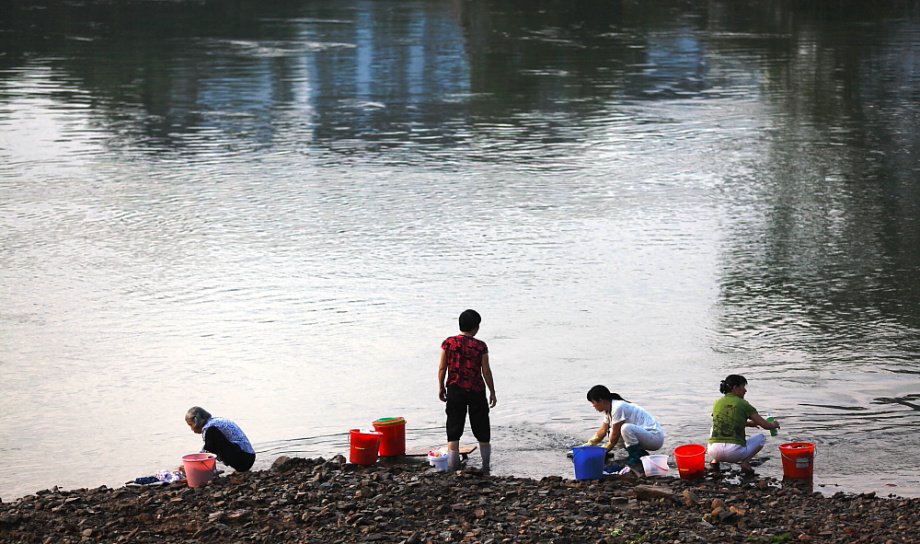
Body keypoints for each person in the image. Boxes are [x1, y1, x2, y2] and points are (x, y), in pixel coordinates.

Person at [437, 309, 497, 472]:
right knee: (482, 427)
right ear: (476, 327)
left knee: (454, 427)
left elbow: (443, 367)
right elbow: (486, 371)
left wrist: (441, 387)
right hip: (476, 390)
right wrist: (492, 391)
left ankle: (452, 465)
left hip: (455, 389)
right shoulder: (480, 346)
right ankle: (486, 466)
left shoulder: (448, 343)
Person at [707, 374, 780, 475]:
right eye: (743, 387)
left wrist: (749, 424)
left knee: (715, 427)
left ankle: (715, 461)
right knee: (761, 437)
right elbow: (766, 426)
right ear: (735, 388)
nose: (745, 391)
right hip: (734, 454)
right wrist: (774, 424)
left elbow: (725, 421)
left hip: (713, 451)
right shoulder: (743, 404)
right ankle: (745, 463)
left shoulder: (717, 403)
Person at [583, 385, 665, 467]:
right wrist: (587, 445)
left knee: (624, 429)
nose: (593, 406)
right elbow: (603, 430)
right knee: (611, 432)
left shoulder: (618, 407)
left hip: (655, 437)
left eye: (593, 403)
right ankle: (641, 454)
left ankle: (635, 458)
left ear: (601, 400)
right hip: (645, 436)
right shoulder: (608, 410)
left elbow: (615, 436)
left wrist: (602, 452)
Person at [185, 406, 256, 472]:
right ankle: (211, 469)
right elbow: (205, 448)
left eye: (191, 425)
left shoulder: (209, 427)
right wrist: (190, 464)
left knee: (211, 432)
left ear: (196, 422)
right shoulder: (214, 421)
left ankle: (212, 470)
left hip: (243, 459)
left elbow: (208, 451)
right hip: (247, 456)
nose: (191, 429)